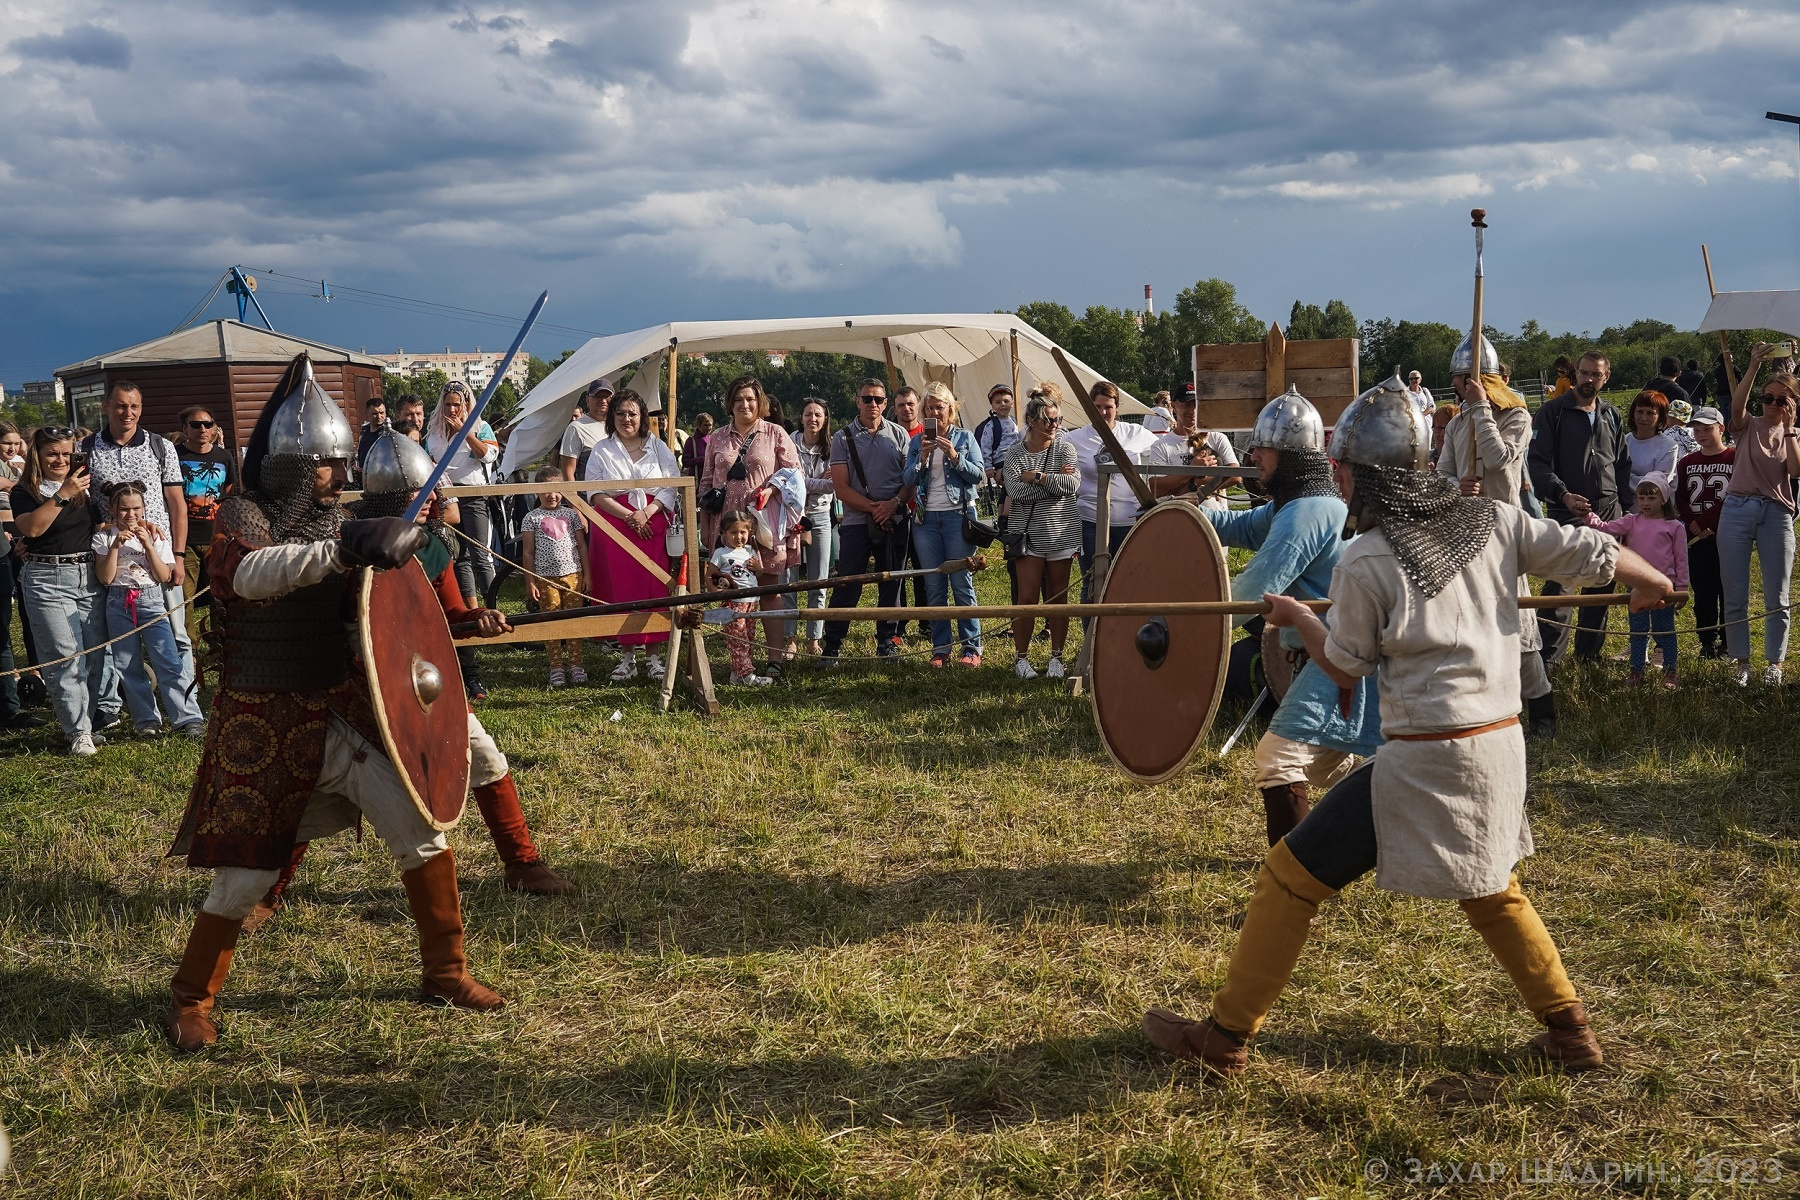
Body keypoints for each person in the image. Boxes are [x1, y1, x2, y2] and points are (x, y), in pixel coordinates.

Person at [1143, 378, 1674, 1078]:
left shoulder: (1367, 558)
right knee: (1490, 888)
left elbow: (1344, 667)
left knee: (1287, 880)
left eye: (1342, 466)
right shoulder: (1493, 519)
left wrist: (1299, 619)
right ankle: (1571, 1033)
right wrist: (1655, 581)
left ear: (1366, 474)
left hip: (1424, 760)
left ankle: (1225, 1037)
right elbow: (1591, 549)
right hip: (1500, 746)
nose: (1334, 475)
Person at [163, 362, 506, 1051]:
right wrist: (336, 550)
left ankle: (445, 971)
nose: (338, 477)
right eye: (325, 464)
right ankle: (190, 998)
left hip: (335, 707)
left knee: (420, 828)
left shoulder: (339, 520)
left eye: (342, 463)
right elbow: (250, 576)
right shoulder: (242, 515)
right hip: (262, 717)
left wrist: (443, 612)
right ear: (290, 463)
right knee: (247, 877)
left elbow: (384, 619)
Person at [1202, 385, 1379, 844]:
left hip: (1338, 651)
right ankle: (1387, 826)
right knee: (1328, 766)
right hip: (1320, 654)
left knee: (1277, 759)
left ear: (1288, 453)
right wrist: (1182, 510)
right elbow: (1240, 526)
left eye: (1262, 448)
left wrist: (1193, 631)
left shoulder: (1308, 511)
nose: (1254, 455)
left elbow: (1256, 589)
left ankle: (1292, 871)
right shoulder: (1292, 505)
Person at [1439, 335, 1557, 738]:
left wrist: (1482, 411)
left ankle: (1542, 711)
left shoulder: (1516, 417)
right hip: (1461, 532)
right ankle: (1481, 708)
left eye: (1462, 382)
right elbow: (1441, 473)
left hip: (1502, 531)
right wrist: (1457, 486)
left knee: (1518, 627)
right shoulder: (1457, 423)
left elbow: (1498, 459)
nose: (1457, 389)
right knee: (1466, 625)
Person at [84, 380, 192, 697]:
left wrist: (180, 555)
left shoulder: (161, 446)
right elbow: (79, 500)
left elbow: (176, 505)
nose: (128, 412)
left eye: (134, 406)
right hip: (113, 556)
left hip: (158, 553)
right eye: (120, 405)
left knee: (176, 633)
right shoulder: (86, 448)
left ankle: (185, 701)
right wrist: (101, 527)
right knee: (119, 638)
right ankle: (129, 702)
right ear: (106, 407)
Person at [9, 427, 112, 753]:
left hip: (88, 577)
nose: (60, 459)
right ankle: (77, 732)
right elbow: (32, 527)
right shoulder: (26, 489)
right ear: (37, 455)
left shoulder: (86, 489)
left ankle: (88, 719)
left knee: (95, 658)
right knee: (65, 659)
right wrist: (62, 493)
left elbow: (97, 528)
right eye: (52, 453)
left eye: (67, 454)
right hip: (46, 579)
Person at [1528, 351, 1633, 665]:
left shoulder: (1611, 414)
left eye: (1595, 375)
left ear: (1606, 377)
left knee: (1602, 581)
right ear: (1575, 374)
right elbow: (1536, 463)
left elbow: (1623, 465)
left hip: (1610, 513)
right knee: (1561, 584)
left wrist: (1628, 514)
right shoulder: (1553, 412)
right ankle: (1549, 658)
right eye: (1584, 373)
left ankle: (1589, 655)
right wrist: (1562, 495)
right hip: (1567, 513)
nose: (1588, 380)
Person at [701, 375, 803, 670]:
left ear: (760, 403)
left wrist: (772, 488)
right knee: (732, 589)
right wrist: (707, 528)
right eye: (738, 399)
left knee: (770, 589)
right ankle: (741, 661)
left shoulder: (775, 433)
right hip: (727, 524)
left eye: (751, 399)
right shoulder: (717, 438)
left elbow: (795, 475)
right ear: (729, 404)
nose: (745, 404)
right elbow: (706, 483)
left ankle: (774, 658)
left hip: (764, 523)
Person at [92, 480, 205, 737]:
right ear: (111, 509)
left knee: (167, 659)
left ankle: (187, 718)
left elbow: (164, 574)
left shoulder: (155, 533)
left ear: (144, 508)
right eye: (123, 510)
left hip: (151, 599)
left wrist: (149, 546)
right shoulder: (104, 536)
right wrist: (115, 547)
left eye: (136, 509)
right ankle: (147, 721)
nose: (130, 515)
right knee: (128, 664)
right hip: (118, 602)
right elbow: (106, 578)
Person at [582, 389, 681, 681]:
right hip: (614, 523)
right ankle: (627, 656)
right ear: (613, 417)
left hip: (652, 521)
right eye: (621, 413)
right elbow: (595, 491)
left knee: (654, 586)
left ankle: (654, 657)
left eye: (632, 413)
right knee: (621, 588)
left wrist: (647, 512)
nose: (627, 419)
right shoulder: (602, 448)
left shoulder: (659, 447)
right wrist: (628, 516)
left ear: (642, 417)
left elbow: (671, 485)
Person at [1720, 347, 1800, 686]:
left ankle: (1774, 665)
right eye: (1768, 397)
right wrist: (1753, 365)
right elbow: (1737, 407)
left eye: (1781, 400)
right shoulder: (1746, 425)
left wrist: (1792, 429)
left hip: (1777, 513)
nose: (1772, 404)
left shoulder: (1794, 434)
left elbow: (1795, 473)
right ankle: (1742, 663)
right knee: (1735, 593)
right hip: (1737, 508)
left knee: (1777, 596)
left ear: (1792, 405)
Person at [821, 378, 911, 666]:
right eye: (867, 399)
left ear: (886, 404)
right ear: (857, 401)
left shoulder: (899, 435)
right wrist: (877, 509)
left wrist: (893, 504)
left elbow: (909, 480)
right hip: (858, 522)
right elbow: (842, 488)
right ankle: (832, 646)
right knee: (849, 584)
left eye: (879, 400)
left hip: (895, 518)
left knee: (891, 583)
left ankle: (886, 642)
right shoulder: (842, 437)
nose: (873, 404)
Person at [901, 382, 985, 667]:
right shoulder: (917, 441)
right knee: (934, 585)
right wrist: (923, 457)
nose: (935, 412)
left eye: (940, 407)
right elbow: (908, 480)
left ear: (951, 410)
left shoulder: (964, 438)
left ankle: (971, 649)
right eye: (930, 408)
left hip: (957, 517)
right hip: (925, 519)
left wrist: (953, 456)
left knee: (962, 583)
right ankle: (941, 649)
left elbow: (978, 475)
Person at [1003, 390, 1080, 677]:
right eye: (1048, 419)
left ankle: (1056, 659)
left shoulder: (1065, 448)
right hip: (1027, 535)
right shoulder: (1014, 453)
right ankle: (1021, 658)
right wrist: (1054, 481)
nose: (1054, 424)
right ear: (1032, 421)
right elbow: (1016, 492)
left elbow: (1071, 485)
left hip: (1061, 532)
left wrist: (1036, 476)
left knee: (1058, 597)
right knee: (1027, 597)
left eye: (1058, 419)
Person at [1587, 475, 1688, 688]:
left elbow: (1681, 558)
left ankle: (1670, 672)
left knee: (1665, 631)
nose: (1645, 503)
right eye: (1641, 498)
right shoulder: (1631, 521)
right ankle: (1637, 670)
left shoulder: (1674, 526)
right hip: (1637, 587)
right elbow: (1605, 528)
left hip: (1664, 588)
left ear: (1664, 499)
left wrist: (1682, 586)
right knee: (1638, 631)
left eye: (1651, 498)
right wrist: (1588, 516)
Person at [1067, 380, 1159, 605]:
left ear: (1117, 407)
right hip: (1091, 521)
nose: (1103, 412)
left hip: (1128, 520)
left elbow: (1164, 450)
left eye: (1108, 406)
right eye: (1097, 407)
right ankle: (1092, 638)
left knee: (1128, 581)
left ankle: (1123, 637)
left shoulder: (1135, 433)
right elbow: (1060, 469)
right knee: (1093, 582)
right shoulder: (1074, 439)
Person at [426, 380, 499, 623]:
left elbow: (489, 455)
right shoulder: (433, 431)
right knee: (458, 557)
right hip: (446, 497)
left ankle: (493, 607)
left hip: (473, 494)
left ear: (466, 404)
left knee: (480, 554)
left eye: (457, 404)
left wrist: (465, 432)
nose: (452, 410)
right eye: (447, 404)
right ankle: (470, 612)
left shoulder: (481, 426)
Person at [174, 404, 239, 653]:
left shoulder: (223, 457)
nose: (202, 429)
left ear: (214, 428)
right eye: (196, 424)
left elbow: (229, 491)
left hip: (216, 537)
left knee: (219, 594)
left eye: (207, 424)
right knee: (185, 598)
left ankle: (219, 646)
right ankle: (188, 649)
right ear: (185, 428)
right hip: (185, 538)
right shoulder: (175, 455)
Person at [1672, 407, 1733, 660]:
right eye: (1696, 430)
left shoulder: (1735, 458)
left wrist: (1708, 521)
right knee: (1703, 590)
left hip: (1728, 533)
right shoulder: (1686, 462)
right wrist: (1693, 522)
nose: (1701, 434)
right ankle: (1707, 640)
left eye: (1707, 429)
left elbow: (1734, 494)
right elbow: (1681, 498)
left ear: (1721, 428)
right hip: (1697, 537)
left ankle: (1729, 641)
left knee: (1728, 589)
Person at [520, 466, 589, 687]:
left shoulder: (571, 515)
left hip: (573, 575)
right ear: (537, 491)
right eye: (546, 490)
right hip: (545, 578)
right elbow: (528, 552)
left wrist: (587, 575)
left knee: (573, 620)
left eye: (557, 489)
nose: (552, 495)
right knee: (550, 620)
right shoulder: (531, 518)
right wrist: (530, 580)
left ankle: (576, 664)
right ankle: (556, 666)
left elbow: (582, 547)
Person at [0, 421, 45, 730]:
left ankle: (10, 706)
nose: (13, 448)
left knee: (6, 630)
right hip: (6, 544)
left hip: (10, 548)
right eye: (7, 443)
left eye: (17, 443)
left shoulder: (16, 467)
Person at [707, 509, 773, 686]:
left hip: (752, 602)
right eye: (733, 532)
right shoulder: (721, 553)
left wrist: (758, 567)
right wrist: (716, 592)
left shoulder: (750, 551)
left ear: (749, 532)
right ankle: (746, 675)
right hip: (733, 604)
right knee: (738, 640)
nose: (738, 537)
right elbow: (709, 576)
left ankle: (737, 674)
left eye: (743, 532)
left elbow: (758, 574)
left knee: (749, 638)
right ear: (724, 533)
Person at [791, 398, 836, 656]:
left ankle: (814, 638)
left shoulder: (831, 447)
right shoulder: (789, 442)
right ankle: (789, 638)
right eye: (808, 414)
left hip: (820, 517)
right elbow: (789, 480)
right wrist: (815, 480)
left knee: (819, 579)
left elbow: (833, 485)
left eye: (818, 414)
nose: (813, 419)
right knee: (790, 581)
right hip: (792, 517)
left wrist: (804, 481)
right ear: (801, 417)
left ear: (825, 419)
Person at [1148, 385, 1239, 502]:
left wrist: (1196, 483)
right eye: (1187, 405)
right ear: (1173, 406)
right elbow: (1155, 488)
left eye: (1197, 405)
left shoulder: (1217, 438)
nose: (1193, 410)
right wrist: (1192, 470)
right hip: (1180, 516)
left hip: (1216, 517)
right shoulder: (1160, 446)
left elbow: (1236, 476)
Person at [558, 381, 612, 482]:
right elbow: (568, 473)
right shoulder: (576, 428)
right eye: (598, 396)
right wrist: (573, 497)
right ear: (588, 400)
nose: (603, 400)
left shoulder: (619, 426)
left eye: (607, 396)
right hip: (588, 495)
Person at [1624, 391, 1678, 489]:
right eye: (1640, 412)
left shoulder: (1669, 446)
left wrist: (1625, 477)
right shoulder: (1624, 441)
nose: (1643, 418)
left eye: (1650, 413)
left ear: (1660, 417)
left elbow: (1656, 484)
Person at [973, 384, 1018, 496]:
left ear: (1012, 403)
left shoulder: (1014, 420)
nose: (1002, 404)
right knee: (1011, 490)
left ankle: (1005, 510)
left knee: (1012, 490)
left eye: (1006, 401)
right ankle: (1006, 511)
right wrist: (988, 467)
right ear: (992, 406)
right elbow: (985, 446)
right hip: (1002, 461)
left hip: (1016, 459)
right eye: (998, 402)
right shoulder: (991, 425)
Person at [355, 396, 388, 477]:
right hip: (364, 477)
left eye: (381, 413)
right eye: (375, 414)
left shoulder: (388, 433)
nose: (379, 416)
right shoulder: (364, 431)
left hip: (381, 476)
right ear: (366, 414)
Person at [682, 413, 713, 480]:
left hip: (711, 480)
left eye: (710, 425)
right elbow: (685, 462)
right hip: (697, 481)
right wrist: (699, 460)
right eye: (705, 425)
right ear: (698, 426)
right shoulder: (691, 441)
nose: (708, 428)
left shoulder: (712, 439)